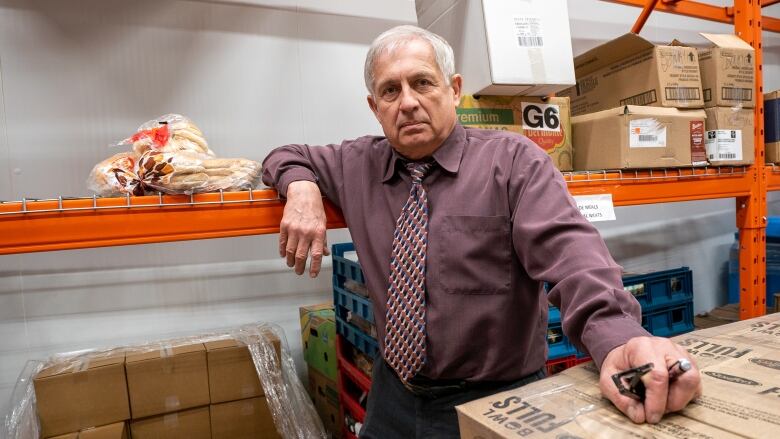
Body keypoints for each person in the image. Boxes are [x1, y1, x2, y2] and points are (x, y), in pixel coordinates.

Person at [261, 25, 702, 438]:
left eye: (422, 83)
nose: (408, 102)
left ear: (453, 90)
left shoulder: (512, 162)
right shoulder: (357, 164)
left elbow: (572, 253)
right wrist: (300, 187)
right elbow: (283, 155)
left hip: (499, 399)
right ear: (375, 108)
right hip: (392, 398)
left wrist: (617, 338)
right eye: (390, 91)